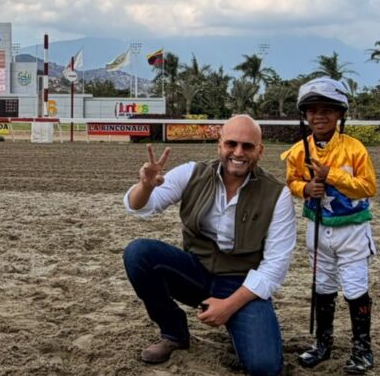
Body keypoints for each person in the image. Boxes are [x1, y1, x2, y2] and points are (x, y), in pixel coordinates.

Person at [122, 115, 296, 375]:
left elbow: (275, 268)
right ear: (219, 144)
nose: (238, 152)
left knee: (264, 367)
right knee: (139, 253)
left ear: (260, 150)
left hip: (241, 283)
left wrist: (228, 307)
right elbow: (141, 206)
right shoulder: (192, 173)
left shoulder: (277, 195)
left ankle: (240, 325)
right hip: (196, 272)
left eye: (247, 146)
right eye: (231, 144)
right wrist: (145, 187)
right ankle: (174, 334)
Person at [281, 77, 377, 374]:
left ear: (340, 114)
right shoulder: (298, 150)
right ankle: (323, 344)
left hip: (353, 231)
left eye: (327, 109)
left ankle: (362, 348)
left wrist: (331, 175)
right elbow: (291, 182)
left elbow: (368, 187)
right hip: (318, 229)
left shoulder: (355, 149)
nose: (318, 116)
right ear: (304, 114)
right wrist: (306, 189)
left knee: (354, 288)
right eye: (312, 110)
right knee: (322, 286)